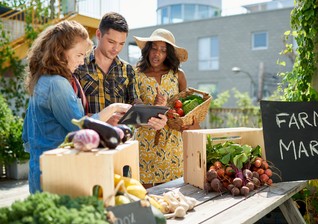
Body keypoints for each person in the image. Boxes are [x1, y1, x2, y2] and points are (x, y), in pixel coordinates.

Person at [22, 20, 131, 194]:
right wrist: (114, 108)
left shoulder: (43, 80)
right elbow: (79, 126)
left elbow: (27, 136)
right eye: (79, 55)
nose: (82, 62)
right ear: (60, 53)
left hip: (40, 170)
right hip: (58, 173)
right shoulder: (57, 84)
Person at [74, 12, 168, 129]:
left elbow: (135, 107)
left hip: (120, 142)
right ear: (99, 34)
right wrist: (102, 118)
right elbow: (71, 114)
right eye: (111, 42)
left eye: (121, 44)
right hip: (88, 140)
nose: (116, 49)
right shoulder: (78, 65)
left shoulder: (128, 70)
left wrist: (153, 118)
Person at [132, 28, 199, 188]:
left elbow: (183, 108)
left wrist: (187, 122)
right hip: (145, 146)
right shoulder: (136, 75)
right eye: (154, 48)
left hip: (172, 146)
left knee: (173, 198)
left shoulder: (178, 75)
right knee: (146, 198)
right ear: (148, 49)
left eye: (163, 50)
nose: (157, 54)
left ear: (168, 54)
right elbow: (135, 111)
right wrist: (154, 108)